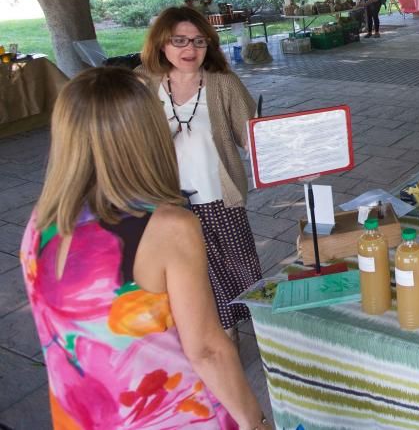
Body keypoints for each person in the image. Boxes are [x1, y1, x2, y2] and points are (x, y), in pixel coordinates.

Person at [21, 67, 268, 429]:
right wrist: (256, 421)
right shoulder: (169, 227)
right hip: (164, 413)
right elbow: (207, 349)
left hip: (82, 414)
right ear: (145, 134)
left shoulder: (41, 220)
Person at [138, 7, 261, 336]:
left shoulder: (223, 83)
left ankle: (250, 326)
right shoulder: (144, 83)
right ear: (162, 43)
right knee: (192, 273)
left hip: (219, 194)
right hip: (169, 201)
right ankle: (216, 331)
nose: (189, 49)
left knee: (239, 265)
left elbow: (252, 135)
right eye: (179, 40)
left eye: (198, 41)